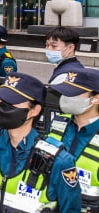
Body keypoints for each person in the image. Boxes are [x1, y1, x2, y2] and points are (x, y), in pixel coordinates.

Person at [0, 72, 81, 212]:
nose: (1, 104)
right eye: (2, 99)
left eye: (11, 101)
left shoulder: (58, 160)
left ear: (34, 110)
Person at [48, 68, 99, 213]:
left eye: (74, 93)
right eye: (65, 92)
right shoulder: (57, 123)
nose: (66, 97)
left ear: (96, 98)